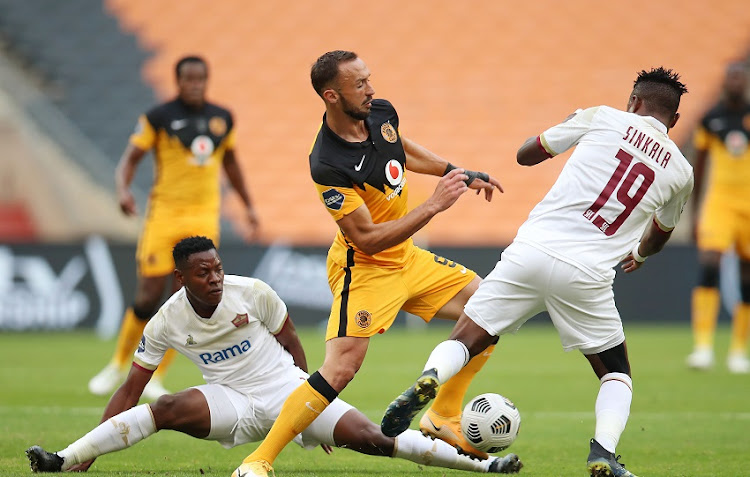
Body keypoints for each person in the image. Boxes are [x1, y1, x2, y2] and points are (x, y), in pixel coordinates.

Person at [381, 68, 693, 477]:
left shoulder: (601, 117)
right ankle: (602, 453)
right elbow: (659, 234)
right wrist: (639, 253)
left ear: (633, 101)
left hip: (530, 252)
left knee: (468, 336)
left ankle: (428, 378)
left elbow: (525, 154)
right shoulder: (681, 172)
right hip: (587, 274)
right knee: (615, 373)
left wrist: (566, 127)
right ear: (673, 120)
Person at [25, 236, 521, 475]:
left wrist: (311, 404)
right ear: (181, 280)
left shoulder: (253, 292)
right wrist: (85, 452)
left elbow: (290, 342)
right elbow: (131, 389)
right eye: (202, 273)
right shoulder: (164, 322)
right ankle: (63, 459)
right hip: (229, 399)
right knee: (165, 409)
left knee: (372, 437)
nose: (214, 278)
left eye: (217, 268)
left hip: (286, 388)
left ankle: (485, 469)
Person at [233, 50, 509, 477]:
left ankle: (443, 416)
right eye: (359, 84)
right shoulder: (327, 163)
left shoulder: (379, 112)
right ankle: (259, 459)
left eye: (368, 79)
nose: (371, 90)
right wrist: (434, 205)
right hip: (363, 267)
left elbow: (400, 147)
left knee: (492, 306)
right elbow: (366, 239)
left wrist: (455, 171)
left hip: (408, 258)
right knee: (341, 369)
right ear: (331, 95)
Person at [88, 55, 260, 400]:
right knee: (148, 295)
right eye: (188, 79)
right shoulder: (158, 117)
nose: (194, 85)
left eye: (200, 79)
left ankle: (156, 376)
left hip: (202, 218)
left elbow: (231, 163)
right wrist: (122, 190)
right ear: (177, 80)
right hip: (164, 215)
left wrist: (248, 205)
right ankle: (117, 363)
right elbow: (130, 159)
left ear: (206, 80)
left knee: (185, 298)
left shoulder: (222, 118)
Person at [686, 62, 750, 374]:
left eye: (740, 78)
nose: (735, 82)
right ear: (725, 82)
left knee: (747, 277)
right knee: (710, 264)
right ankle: (703, 347)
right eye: (731, 78)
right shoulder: (711, 118)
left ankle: (739, 349)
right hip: (720, 202)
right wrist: (696, 212)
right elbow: (698, 165)